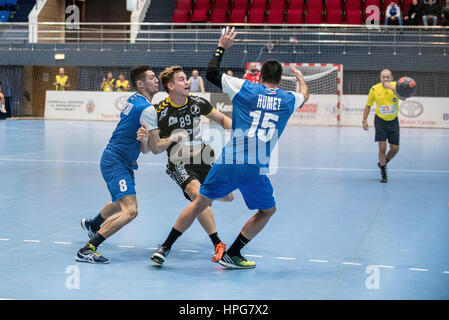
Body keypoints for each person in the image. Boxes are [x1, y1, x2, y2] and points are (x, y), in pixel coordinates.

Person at [149, 27, 309, 269]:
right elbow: (304, 96)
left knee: (198, 203)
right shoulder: (288, 99)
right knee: (267, 210)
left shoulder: (246, 88)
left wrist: (222, 45)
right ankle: (233, 253)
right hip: (254, 168)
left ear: (260, 75)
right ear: (280, 79)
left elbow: (212, 73)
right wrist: (300, 80)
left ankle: (165, 247)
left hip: (227, 161)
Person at [76, 66, 186, 264]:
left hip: (122, 160)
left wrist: (143, 139)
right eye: (152, 78)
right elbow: (156, 148)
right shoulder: (146, 109)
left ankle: (94, 224)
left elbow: (145, 148)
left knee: (120, 202)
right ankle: (88, 249)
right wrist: (175, 137)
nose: (156, 81)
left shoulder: (134, 100)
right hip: (115, 161)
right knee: (130, 210)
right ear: (140, 84)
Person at [148, 65, 233, 265]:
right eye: (181, 79)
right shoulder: (158, 112)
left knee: (228, 197)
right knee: (199, 196)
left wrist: (241, 131)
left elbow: (221, 119)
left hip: (203, 157)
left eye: (186, 78)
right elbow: (154, 147)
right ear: (170, 86)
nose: (186, 82)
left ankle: (208, 196)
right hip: (179, 162)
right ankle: (170, 246)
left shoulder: (197, 103)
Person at [362, 69, 408, 183]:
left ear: (392, 78)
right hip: (380, 121)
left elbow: (403, 98)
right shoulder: (374, 89)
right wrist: (364, 120)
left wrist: (392, 88)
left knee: (395, 149)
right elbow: (368, 106)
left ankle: (383, 162)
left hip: (393, 121)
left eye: (388, 77)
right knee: (382, 147)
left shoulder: (396, 86)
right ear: (380, 78)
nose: (385, 79)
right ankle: (383, 172)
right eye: (383, 77)